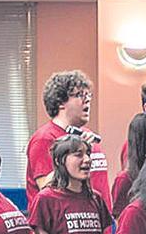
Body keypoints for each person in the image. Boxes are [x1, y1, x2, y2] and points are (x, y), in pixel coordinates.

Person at [26, 70, 110, 209]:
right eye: (79, 95)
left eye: (88, 95)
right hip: (65, 223)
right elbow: (45, 186)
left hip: (96, 221)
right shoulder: (45, 138)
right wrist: (73, 152)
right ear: (60, 103)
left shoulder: (87, 135)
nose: (87, 100)